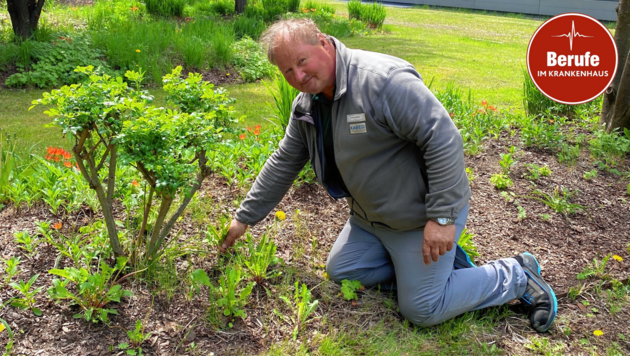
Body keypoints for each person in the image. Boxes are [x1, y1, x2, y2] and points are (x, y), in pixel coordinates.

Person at [221, 18, 557, 332]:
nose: (297, 76)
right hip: (371, 220)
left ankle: (517, 274)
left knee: (423, 309)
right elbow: (284, 161)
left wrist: (441, 218)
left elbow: (443, 139)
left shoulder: (382, 81)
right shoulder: (309, 104)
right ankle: (437, 271)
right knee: (343, 272)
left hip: (417, 215)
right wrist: (244, 218)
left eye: (302, 61)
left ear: (323, 43)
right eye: (287, 71)